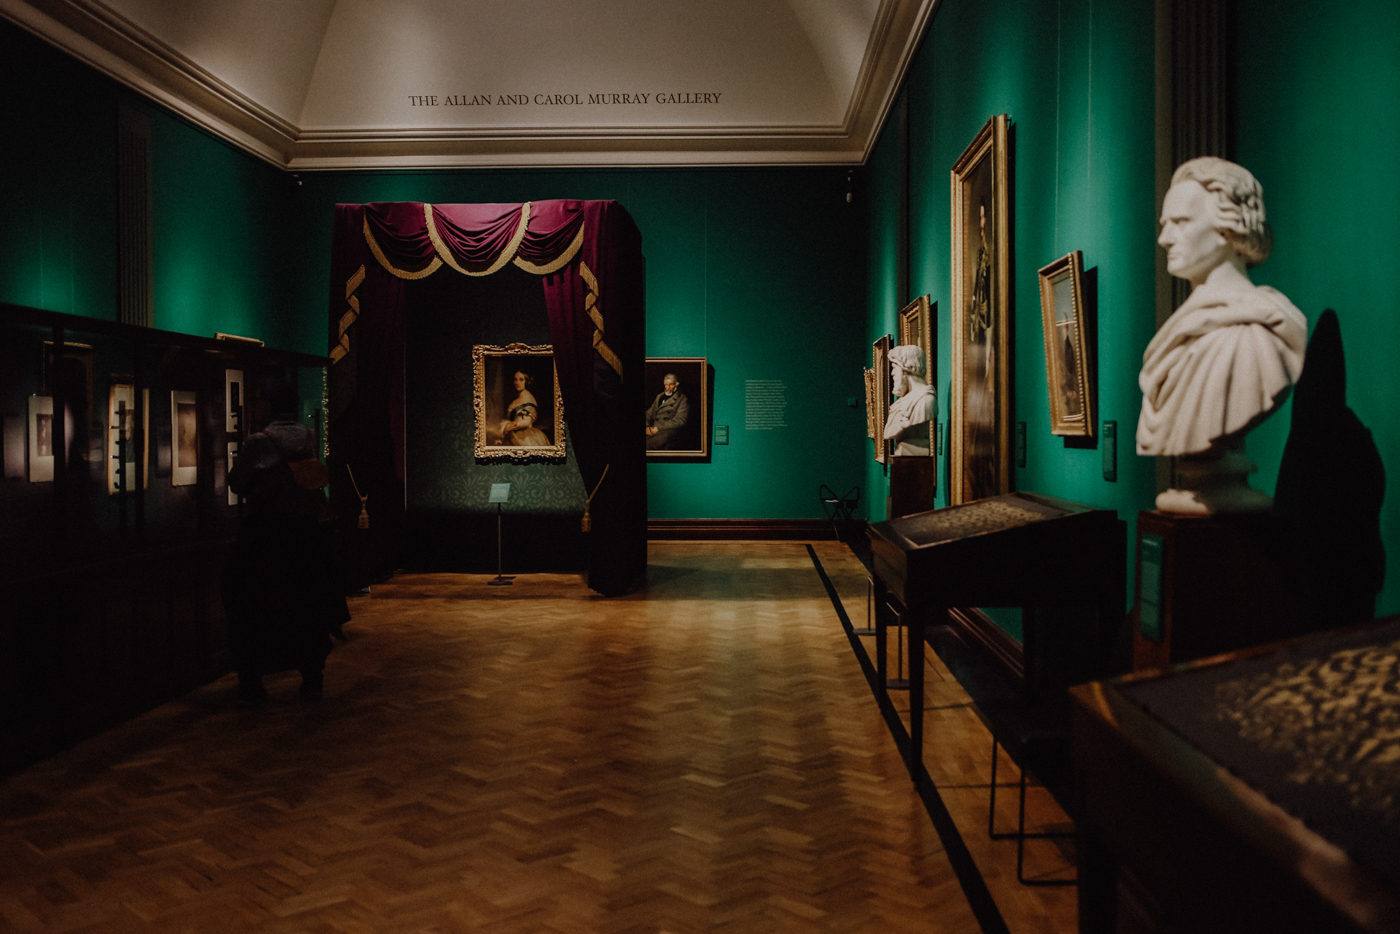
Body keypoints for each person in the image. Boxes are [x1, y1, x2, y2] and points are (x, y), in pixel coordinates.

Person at [1137, 157, 1308, 512]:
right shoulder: (1180, 329)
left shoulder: (1256, 335)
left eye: (1181, 223)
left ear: (1227, 227)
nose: (1164, 238)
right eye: (1164, 223)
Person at [223, 383, 349, 707]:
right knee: (307, 607)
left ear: (269, 404)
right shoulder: (307, 436)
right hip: (305, 535)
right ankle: (311, 680)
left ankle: (252, 684)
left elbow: (237, 482)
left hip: (266, 534)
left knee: (254, 607)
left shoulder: (258, 441)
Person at [883, 345, 936, 455]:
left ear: (906, 368)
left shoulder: (926, 401)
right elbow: (888, 433)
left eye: (894, 368)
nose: (892, 373)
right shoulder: (904, 401)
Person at [497, 370, 550, 446]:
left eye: (521, 380)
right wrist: (505, 427)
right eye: (515, 379)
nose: (517, 382)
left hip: (525, 436)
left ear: (527, 382)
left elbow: (527, 422)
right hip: (512, 433)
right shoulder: (517, 399)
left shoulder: (528, 399)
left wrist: (511, 426)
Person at [645, 373, 689, 450]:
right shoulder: (660, 396)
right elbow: (649, 414)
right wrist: (647, 427)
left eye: (671, 385)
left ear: (676, 384)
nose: (668, 388)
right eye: (666, 385)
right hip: (653, 429)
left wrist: (658, 428)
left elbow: (680, 420)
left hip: (668, 430)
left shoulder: (682, 399)